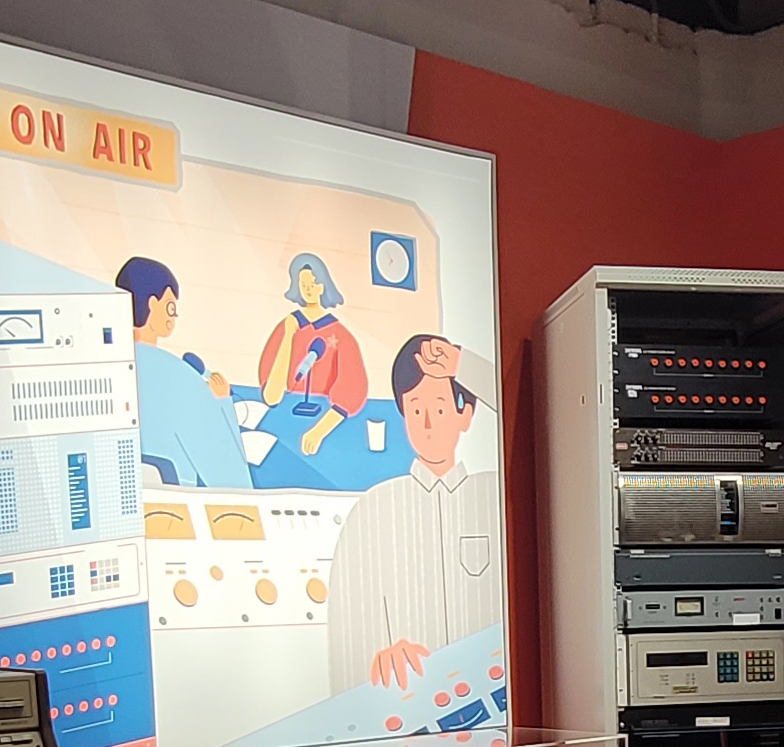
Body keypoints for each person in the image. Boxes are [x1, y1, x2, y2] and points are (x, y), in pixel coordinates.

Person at [324, 333, 501, 694]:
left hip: (496, 694)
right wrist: (376, 657)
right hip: (408, 703)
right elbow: (346, 641)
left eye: (439, 408)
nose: (428, 424)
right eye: (416, 410)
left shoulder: (495, 495)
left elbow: (537, 415)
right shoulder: (372, 511)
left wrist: (462, 364)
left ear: (465, 414)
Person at [116, 255, 252, 487]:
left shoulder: (102, 370)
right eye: (170, 307)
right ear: (152, 304)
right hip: (176, 504)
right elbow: (233, 482)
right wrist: (223, 403)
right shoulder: (181, 378)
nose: (174, 316)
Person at [252, 251, 367, 466]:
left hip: (325, 430)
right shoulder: (287, 326)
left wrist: (318, 432)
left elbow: (352, 393)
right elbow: (271, 396)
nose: (308, 289)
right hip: (281, 429)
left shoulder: (341, 336)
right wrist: (289, 335)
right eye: (303, 284)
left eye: (313, 283)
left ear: (323, 285)